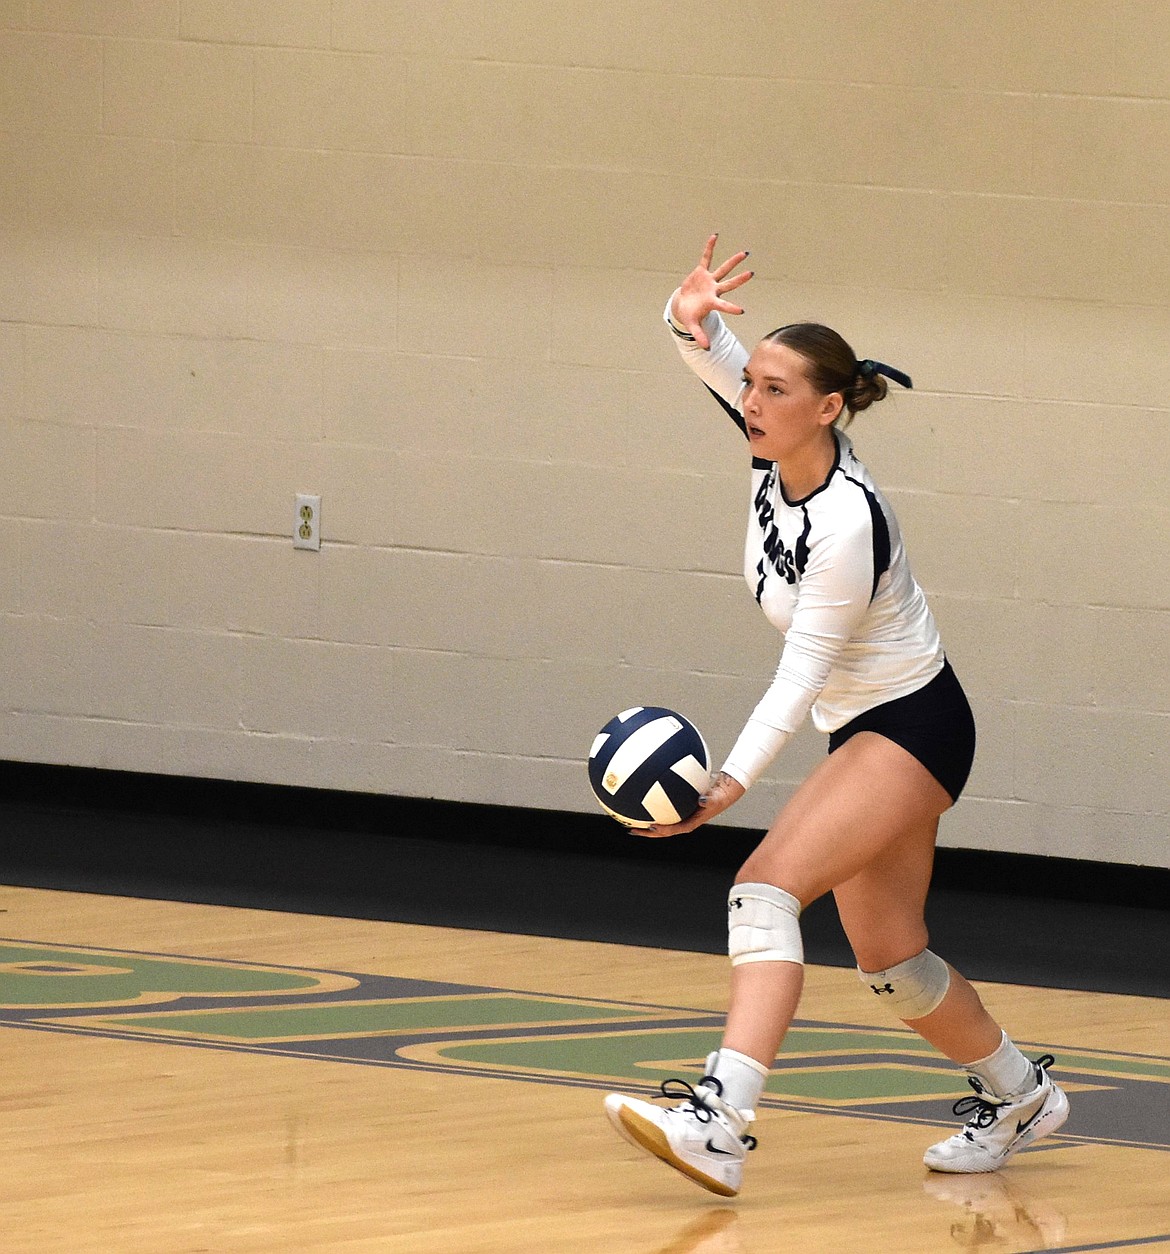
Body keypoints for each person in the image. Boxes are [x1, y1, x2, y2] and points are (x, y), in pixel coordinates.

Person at [603, 235, 1069, 1198]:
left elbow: (800, 670)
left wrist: (731, 781)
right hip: (865, 728)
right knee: (892, 959)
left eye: (775, 391)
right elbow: (708, 352)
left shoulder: (848, 518)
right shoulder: (777, 449)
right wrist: (683, 317)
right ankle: (1021, 1095)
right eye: (752, 385)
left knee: (764, 891)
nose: (752, 401)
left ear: (826, 409)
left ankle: (719, 1121)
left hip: (914, 725)